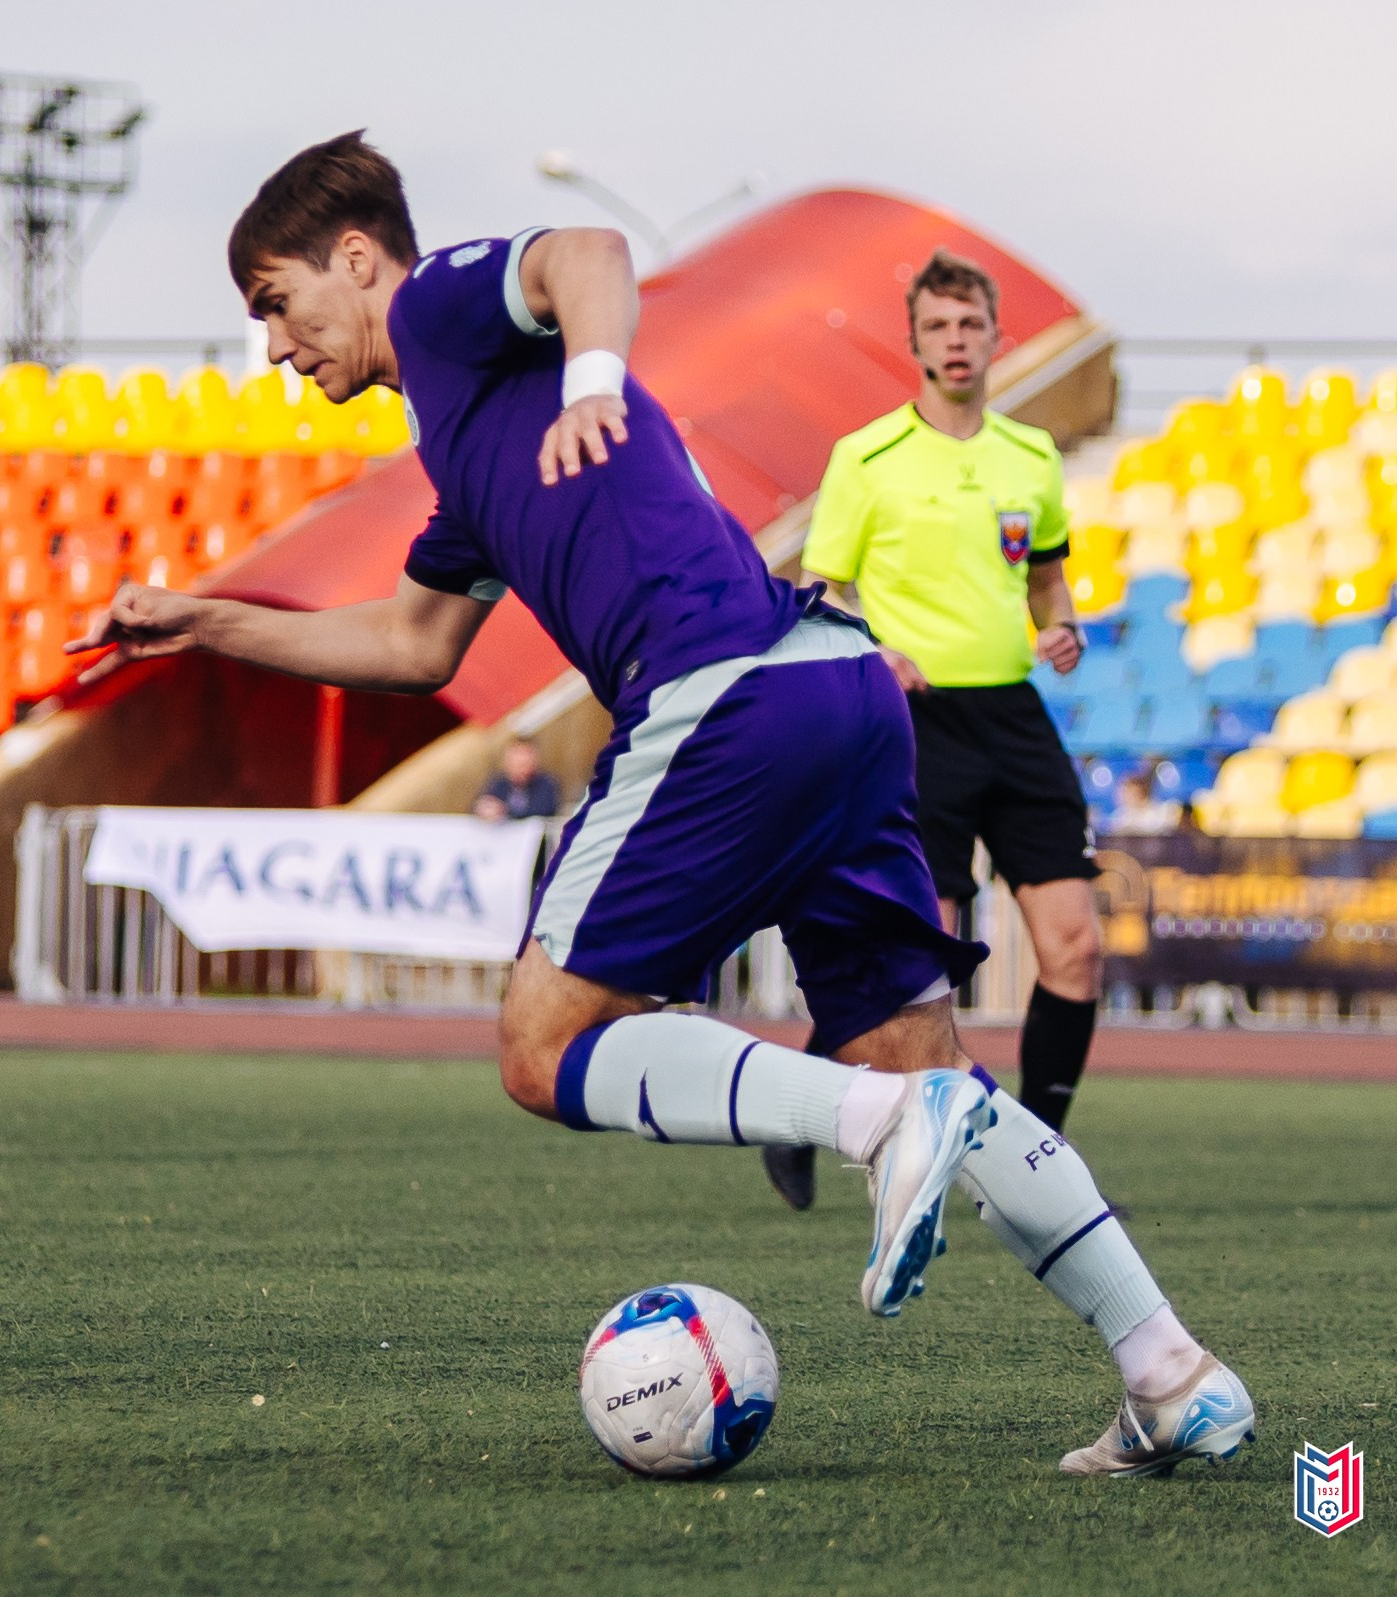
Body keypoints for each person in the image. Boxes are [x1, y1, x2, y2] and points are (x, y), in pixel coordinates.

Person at [72, 132, 1252, 1477]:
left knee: (543, 1041)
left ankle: (873, 1131)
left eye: (276, 301)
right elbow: (413, 645)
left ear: (353, 259)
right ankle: (1173, 1372)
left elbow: (591, 253)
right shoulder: (462, 440)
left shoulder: (444, 306)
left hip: (724, 694)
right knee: (926, 1061)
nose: (277, 343)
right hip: (837, 689)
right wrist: (209, 620)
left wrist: (591, 373)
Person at [793, 249, 1103, 1206]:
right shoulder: (868, 456)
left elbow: (1044, 574)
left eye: (971, 324)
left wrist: (1060, 622)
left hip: (1013, 713)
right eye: (939, 326)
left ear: (996, 335)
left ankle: (1037, 1171)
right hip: (912, 721)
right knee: (923, 961)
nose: (957, 341)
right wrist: (871, 652)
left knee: (1076, 947)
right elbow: (819, 596)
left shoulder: (1032, 456)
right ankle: (812, 1103)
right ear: (916, 341)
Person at [473, 735, 560, 821]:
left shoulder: (546, 784)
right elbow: (482, 802)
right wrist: (483, 808)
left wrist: (503, 810)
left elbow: (542, 811)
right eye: (517, 764)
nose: (522, 769)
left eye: (525, 764)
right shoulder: (499, 782)